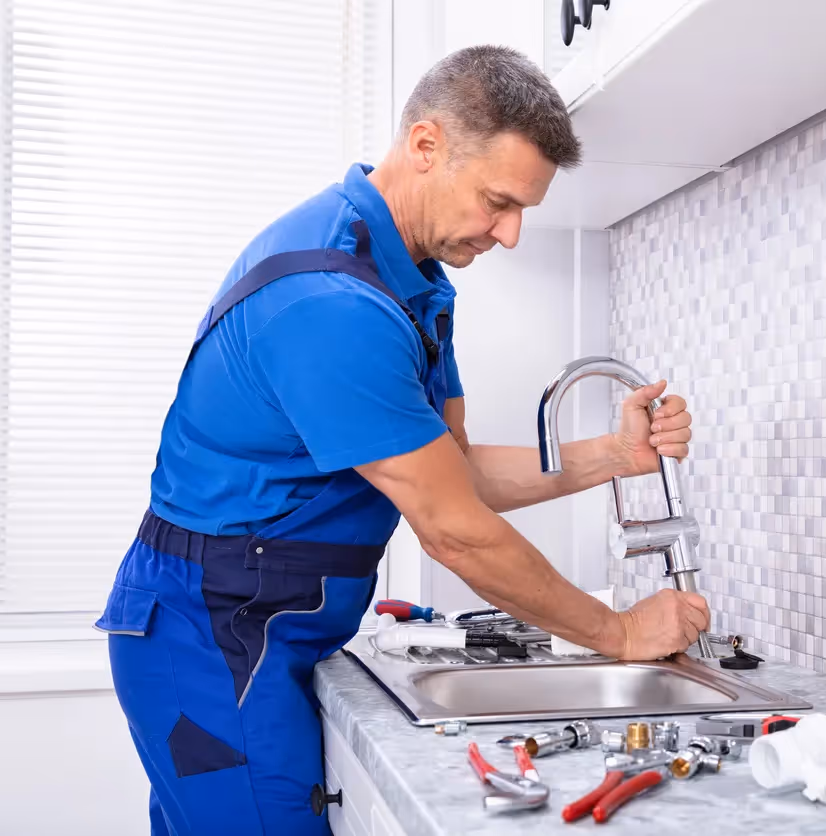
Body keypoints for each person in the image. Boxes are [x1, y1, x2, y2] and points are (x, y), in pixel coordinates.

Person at [94, 45, 710, 835]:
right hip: (212, 638)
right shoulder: (331, 303)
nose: (512, 233)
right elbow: (453, 529)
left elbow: (450, 471)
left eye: (523, 207)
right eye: (498, 201)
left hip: (259, 626)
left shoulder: (412, 278)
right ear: (426, 146)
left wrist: (615, 458)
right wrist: (619, 633)